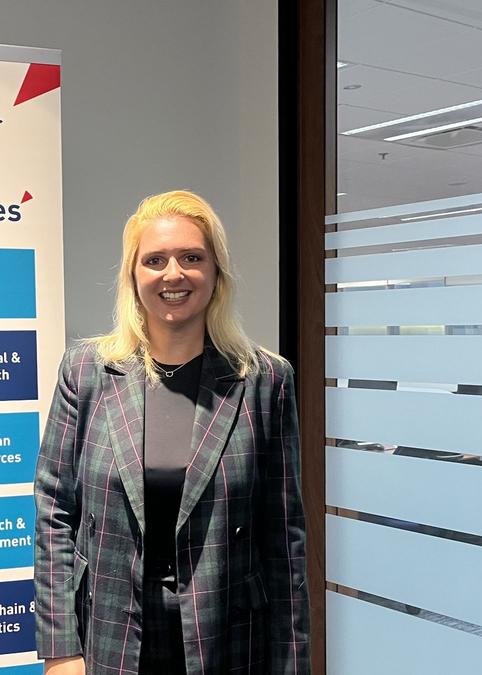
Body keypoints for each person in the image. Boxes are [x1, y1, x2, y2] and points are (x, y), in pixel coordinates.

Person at [33, 190, 309, 674]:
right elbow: (54, 511)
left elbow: (284, 538)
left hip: (229, 639)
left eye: (192, 258)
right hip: (111, 634)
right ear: (133, 275)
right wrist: (61, 649)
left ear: (217, 272)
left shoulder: (266, 379)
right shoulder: (86, 372)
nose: (173, 274)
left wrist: (293, 662)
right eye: (155, 260)